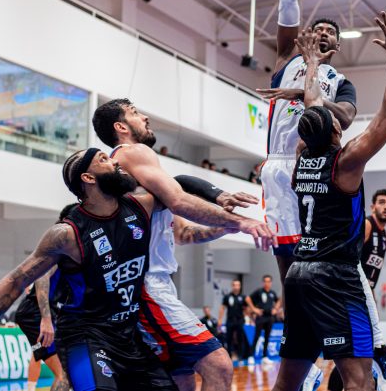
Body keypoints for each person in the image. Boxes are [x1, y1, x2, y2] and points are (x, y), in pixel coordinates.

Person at [0, 148, 179, 391]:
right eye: (103, 158)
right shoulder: (66, 234)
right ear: (88, 178)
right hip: (77, 330)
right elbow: (19, 281)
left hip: (125, 333)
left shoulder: (136, 207)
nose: (115, 160)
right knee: (63, 376)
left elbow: (179, 192)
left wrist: (205, 208)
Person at [93, 98, 274, 390]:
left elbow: (185, 233)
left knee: (182, 379)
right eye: (135, 113)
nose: (145, 118)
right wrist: (241, 222)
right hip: (145, 285)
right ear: (120, 127)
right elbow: (178, 199)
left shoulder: (139, 174)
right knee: (218, 365)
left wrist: (225, 224)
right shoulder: (132, 152)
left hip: (154, 284)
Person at [271, 11, 386, 391]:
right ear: (334, 128)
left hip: (298, 274)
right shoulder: (345, 163)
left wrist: (312, 64)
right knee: (359, 380)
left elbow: (313, 103)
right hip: (335, 275)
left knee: (287, 382)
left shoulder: (302, 157)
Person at [328, 189, 386, 391]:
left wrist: (371, 299)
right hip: (349, 295)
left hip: (363, 295)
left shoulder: (383, 234)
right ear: (372, 206)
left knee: (359, 350)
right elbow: (349, 258)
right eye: (382, 202)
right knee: (355, 349)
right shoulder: (367, 225)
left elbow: (369, 275)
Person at [13, 203, 75, 391]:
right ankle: (30, 387)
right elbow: (42, 276)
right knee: (63, 375)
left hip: (43, 314)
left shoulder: (72, 248)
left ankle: (30, 387)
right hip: (36, 314)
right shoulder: (60, 245)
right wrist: (46, 319)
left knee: (42, 358)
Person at [247, 274, 282, 365]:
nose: (267, 283)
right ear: (263, 282)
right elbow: (248, 299)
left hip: (270, 317)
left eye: (269, 281)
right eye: (265, 281)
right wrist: (254, 309)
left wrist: (276, 309)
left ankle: (265, 357)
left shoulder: (272, 293)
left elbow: (279, 301)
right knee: (257, 336)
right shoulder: (259, 291)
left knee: (267, 337)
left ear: (271, 283)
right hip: (261, 316)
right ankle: (251, 356)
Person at [220, 279, 251, 362]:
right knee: (229, 338)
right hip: (230, 320)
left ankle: (240, 356)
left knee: (240, 338)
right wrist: (220, 319)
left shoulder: (243, 297)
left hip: (240, 320)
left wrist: (248, 315)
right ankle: (229, 356)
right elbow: (222, 308)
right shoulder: (227, 297)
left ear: (240, 286)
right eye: (234, 285)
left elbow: (247, 308)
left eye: (238, 285)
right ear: (232, 286)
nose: (236, 287)